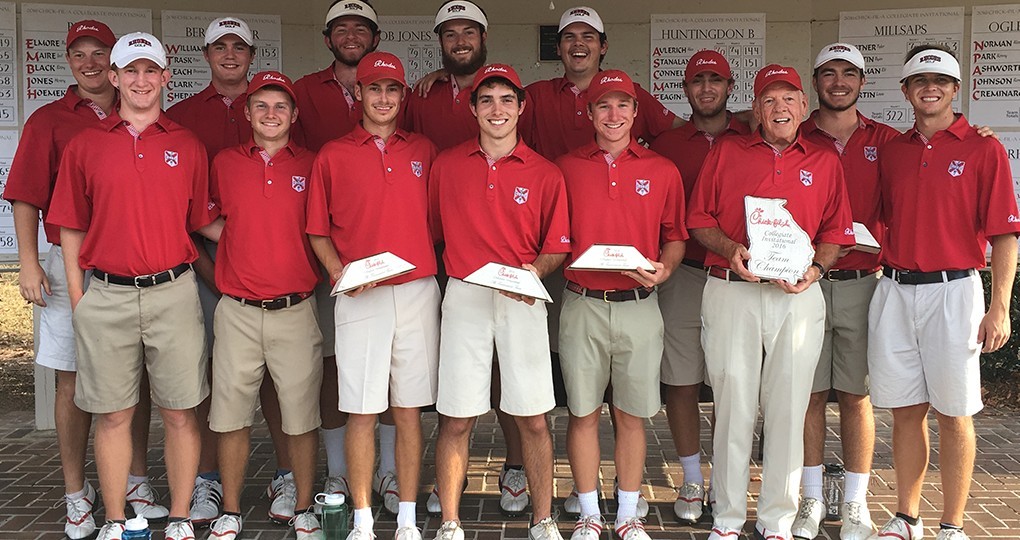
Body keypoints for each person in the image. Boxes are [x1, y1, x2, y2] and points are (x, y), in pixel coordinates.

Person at [47, 32, 220, 540]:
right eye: (130, 71)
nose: (141, 81)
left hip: (174, 292)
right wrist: (78, 298)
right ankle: (116, 520)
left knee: (180, 412)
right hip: (107, 294)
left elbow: (204, 221)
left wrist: (271, 237)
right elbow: (71, 226)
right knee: (113, 415)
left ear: (166, 77)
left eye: (150, 71)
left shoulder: (187, 144)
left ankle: (181, 517)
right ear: (115, 77)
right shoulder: (86, 145)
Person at [2, 20, 169, 539]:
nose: (90, 63)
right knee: (72, 378)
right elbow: (26, 194)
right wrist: (29, 262)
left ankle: (135, 481)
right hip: (69, 262)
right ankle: (77, 493)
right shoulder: (49, 120)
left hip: (133, 261)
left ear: (116, 65)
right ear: (70, 60)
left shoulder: (141, 114)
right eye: (81, 54)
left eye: (100, 53)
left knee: (135, 376)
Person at [687, 64, 855, 540]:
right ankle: (727, 518)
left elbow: (837, 232)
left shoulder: (824, 160)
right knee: (732, 406)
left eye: (788, 99)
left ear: (804, 106)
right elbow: (699, 219)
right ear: (756, 109)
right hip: (732, 290)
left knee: (788, 408)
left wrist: (815, 269)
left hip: (797, 297)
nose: (779, 108)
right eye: (769, 99)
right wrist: (730, 249)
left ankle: (777, 520)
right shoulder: (727, 151)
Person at [868, 45, 1020, 540]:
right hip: (895, 289)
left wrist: (1000, 307)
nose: (929, 88)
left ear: (956, 88)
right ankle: (906, 517)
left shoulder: (984, 149)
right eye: (919, 80)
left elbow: (1004, 234)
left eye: (940, 80)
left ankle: (952, 524)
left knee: (955, 413)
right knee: (905, 411)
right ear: (905, 90)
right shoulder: (893, 151)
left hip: (954, 292)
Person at [429, 63, 569, 540]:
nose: (497, 109)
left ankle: (542, 519)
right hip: (465, 295)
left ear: (521, 106)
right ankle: (450, 523)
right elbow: (434, 230)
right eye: (486, 99)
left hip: (522, 296)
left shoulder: (545, 172)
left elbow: (557, 244)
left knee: (533, 418)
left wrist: (536, 271)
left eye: (507, 99)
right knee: (456, 418)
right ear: (472, 108)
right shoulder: (447, 164)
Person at [408, 1, 533, 517]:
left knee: (512, 377)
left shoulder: (506, 93)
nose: (460, 41)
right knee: (453, 377)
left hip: (510, 261)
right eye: (450, 33)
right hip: (448, 256)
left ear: (484, 37)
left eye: (469, 32)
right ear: (440, 41)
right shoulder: (422, 94)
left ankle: (515, 466)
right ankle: (448, 482)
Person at [307, 51, 439, 540]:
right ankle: (362, 520)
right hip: (359, 293)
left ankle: (406, 517)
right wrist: (339, 272)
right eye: (374, 88)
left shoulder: (424, 149)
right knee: (361, 409)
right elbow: (318, 230)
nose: (383, 98)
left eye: (392, 89)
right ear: (357, 93)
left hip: (417, 289)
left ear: (403, 95)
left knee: (407, 411)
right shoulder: (332, 154)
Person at [555, 70, 685, 540]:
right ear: (589, 113)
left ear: (635, 112)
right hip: (583, 303)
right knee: (583, 413)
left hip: (639, 304)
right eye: (604, 105)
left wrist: (665, 270)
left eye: (623, 105)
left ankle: (628, 514)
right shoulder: (564, 167)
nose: (614, 115)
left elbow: (674, 237)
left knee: (632, 415)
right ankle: (589, 513)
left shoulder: (662, 169)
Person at [202, 70, 324, 540]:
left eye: (280, 107)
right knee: (230, 416)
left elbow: (328, 226)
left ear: (294, 114)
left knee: (301, 416)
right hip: (237, 310)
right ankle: (231, 509)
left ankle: (304, 506)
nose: (271, 115)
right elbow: (202, 218)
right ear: (248, 113)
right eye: (261, 106)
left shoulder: (313, 163)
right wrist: (239, 240)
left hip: (295, 309)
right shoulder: (225, 163)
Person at [292, 0, 401, 512]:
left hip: (390, 265)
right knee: (335, 365)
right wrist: (335, 266)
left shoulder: (401, 96)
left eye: (361, 28)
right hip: (325, 254)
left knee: (391, 373)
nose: (351, 35)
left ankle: (387, 469)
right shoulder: (301, 91)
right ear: (327, 37)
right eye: (342, 28)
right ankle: (338, 473)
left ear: (375, 38)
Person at [789, 43, 900, 540]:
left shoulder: (887, 140)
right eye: (829, 73)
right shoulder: (796, 135)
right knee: (809, 396)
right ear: (815, 82)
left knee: (857, 397)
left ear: (862, 81)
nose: (839, 82)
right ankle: (811, 499)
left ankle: (855, 503)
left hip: (861, 283)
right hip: (805, 283)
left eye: (849, 73)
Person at [164, 16, 272, 527]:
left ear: (252, 54)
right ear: (206, 54)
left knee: (275, 378)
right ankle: (207, 480)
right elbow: (179, 209)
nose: (230, 54)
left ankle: (286, 475)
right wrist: (209, 271)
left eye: (239, 47)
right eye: (220, 46)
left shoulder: (273, 104)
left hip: (268, 268)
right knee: (208, 376)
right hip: (203, 263)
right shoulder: (181, 118)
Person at [647, 49, 750, 525]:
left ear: (730, 87)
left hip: (738, 277)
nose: (706, 88)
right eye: (697, 81)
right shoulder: (666, 144)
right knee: (682, 379)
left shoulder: (752, 137)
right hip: (685, 273)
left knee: (734, 383)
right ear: (685, 89)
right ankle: (691, 478)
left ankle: (727, 479)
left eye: (716, 80)